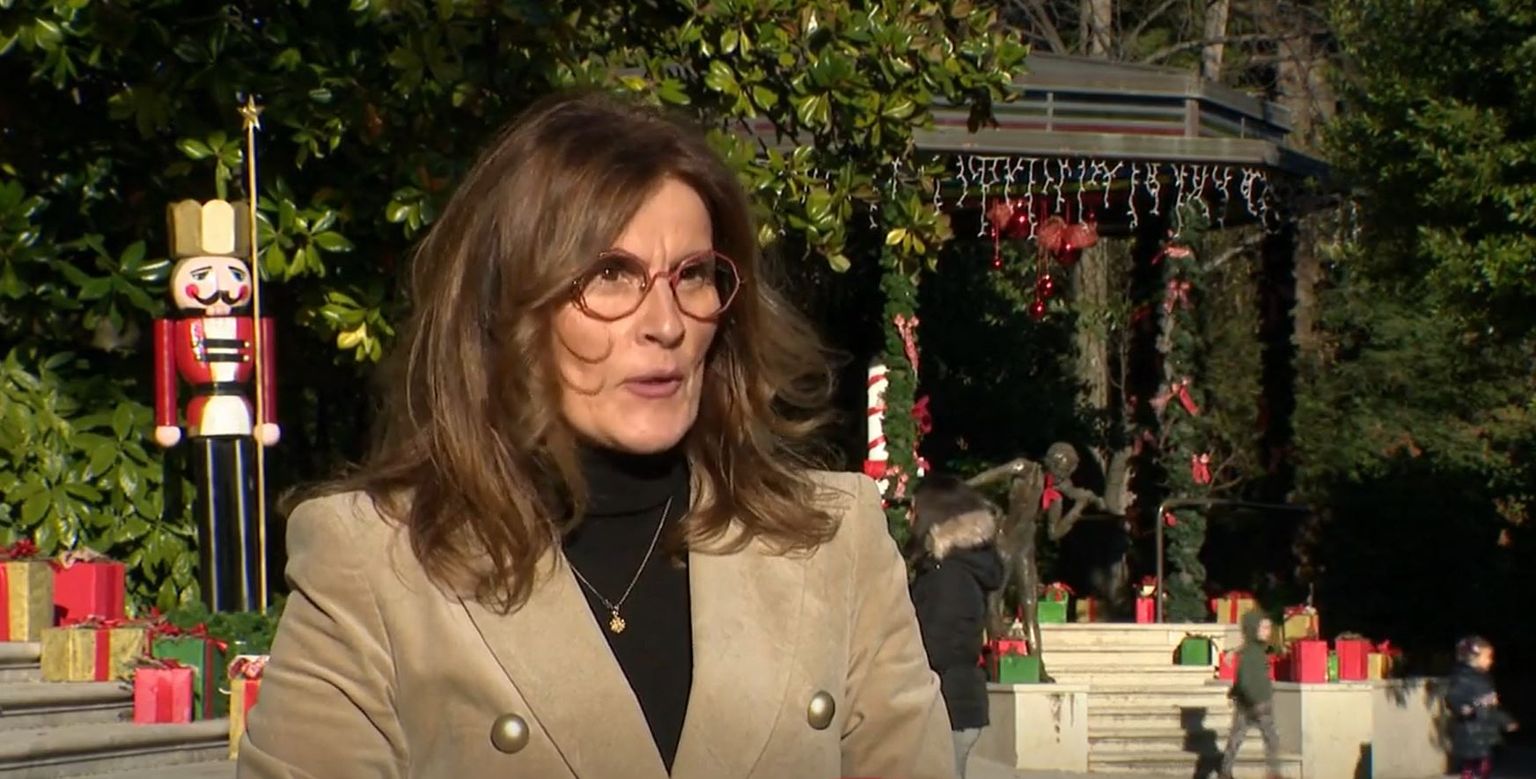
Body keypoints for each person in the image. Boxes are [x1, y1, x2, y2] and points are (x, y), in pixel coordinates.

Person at [237, 91, 955, 779]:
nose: (666, 324)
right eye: (612, 274)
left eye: (693, 275)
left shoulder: (831, 540)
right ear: (506, 303)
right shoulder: (375, 564)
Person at [908, 476, 1006, 779]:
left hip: (947, 704)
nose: (909, 517)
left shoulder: (949, 574)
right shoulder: (951, 568)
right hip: (951, 701)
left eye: (914, 509)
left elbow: (938, 644)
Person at [1218, 610, 1280, 779]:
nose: (1268, 632)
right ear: (1254, 629)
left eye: (1269, 627)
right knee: (1266, 737)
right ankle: (1272, 773)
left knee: (1243, 736)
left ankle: (1226, 770)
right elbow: (1242, 677)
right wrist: (1238, 693)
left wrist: (1233, 651)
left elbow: (1248, 645)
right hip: (1254, 701)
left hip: (1255, 700)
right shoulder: (1251, 652)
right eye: (1264, 628)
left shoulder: (1256, 647)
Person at [1446, 635, 1518, 779]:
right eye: (1487, 657)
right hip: (1471, 731)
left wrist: (1505, 721)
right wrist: (1463, 708)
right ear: (1473, 659)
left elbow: (1492, 706)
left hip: (1484, 732)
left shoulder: (1485, 680)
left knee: (1484, 766)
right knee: (1473, 766)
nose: (1490, 661)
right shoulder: (1462, 678)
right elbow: (1453, 698)